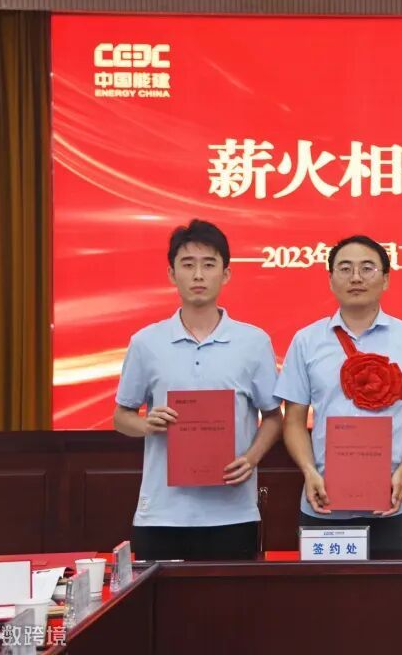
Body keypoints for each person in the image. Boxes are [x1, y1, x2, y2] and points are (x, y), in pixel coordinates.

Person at [113, 220, 282, 560]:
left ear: (226, 274)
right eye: (188, 265)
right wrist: (146, 424)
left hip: (233, 512)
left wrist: (251, 459)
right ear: (172, 274)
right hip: (161, 513)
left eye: (209, 264)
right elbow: (121, 417)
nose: (199, 275)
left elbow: (273, 417)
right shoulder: (146, 342)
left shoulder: (254, 341)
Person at [277, 235, 402, 556]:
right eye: (345, 269)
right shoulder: (306, 341)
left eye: (367, 268)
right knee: (323, 589)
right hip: (323, 502)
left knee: (391, 589)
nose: (356, 277)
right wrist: (308, 471)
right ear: (330, 280)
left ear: (385, 279)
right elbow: (294, 421)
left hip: (392, 503)